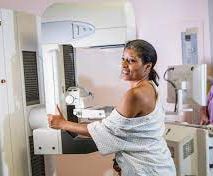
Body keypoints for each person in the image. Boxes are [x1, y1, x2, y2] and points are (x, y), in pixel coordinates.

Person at [48, 39, 176, 176]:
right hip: (160, 166)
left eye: (131, 61)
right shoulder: (152, 87)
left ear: (147, 66)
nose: (124, 65)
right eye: (123, 59)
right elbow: (134, 133)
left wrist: (61, 123)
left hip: (148, 170)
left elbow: (104, 131)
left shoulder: (135, 95)